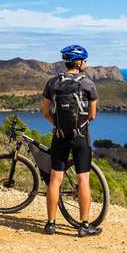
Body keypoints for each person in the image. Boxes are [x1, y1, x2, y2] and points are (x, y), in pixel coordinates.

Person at [41, 44, 102, 237]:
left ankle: (50, 224)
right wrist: (79, 127)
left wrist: (59, 126)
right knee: (83, 179)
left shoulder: (52, 83)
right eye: (85, 60)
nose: (86, 63)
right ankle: (84, 225)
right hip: (81, 137)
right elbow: (92, 115)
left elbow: (45, 113)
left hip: (59, 136)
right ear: (79, 62)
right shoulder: (88, 84)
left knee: (55, 179)